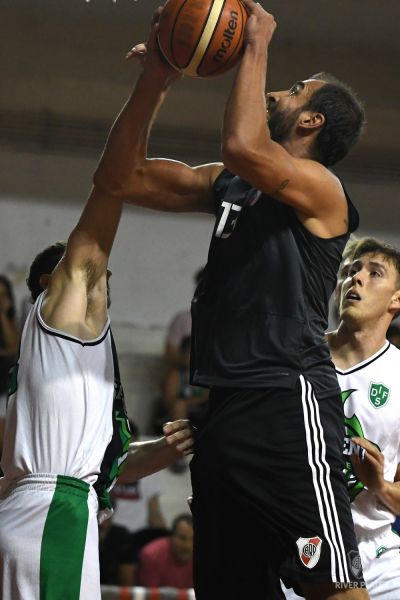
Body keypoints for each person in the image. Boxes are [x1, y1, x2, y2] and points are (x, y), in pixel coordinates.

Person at [94, 1, 366, 597]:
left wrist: (256, 41)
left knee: (336, 587)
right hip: (222, 408)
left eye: (293, 91)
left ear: (312, 121)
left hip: (285, 398)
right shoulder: (233, 183)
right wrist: (155, 79)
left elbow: (244, 145)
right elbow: (119, 177)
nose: (274, 93)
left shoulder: (323, 190)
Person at [0, 84, 193, 599]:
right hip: (52, 513)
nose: (105, 281)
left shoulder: (82, 362)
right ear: (52, 285)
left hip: (60, 509)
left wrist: (167, 447)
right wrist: (155, 82)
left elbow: (109, 467)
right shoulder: (58, 318)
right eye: (96, 275)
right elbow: (111, 184)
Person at [284, 237, 400, 599]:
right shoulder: (294, 358)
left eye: (374, 273)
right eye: (350, 270)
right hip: (303, 550)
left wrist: (379, 486)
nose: (356, 278)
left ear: (396, 299)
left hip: (377, 554)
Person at [137, 513, 193, 589]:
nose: (188, 545)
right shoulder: (151, 556)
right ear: (171, 536)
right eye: (182, 538)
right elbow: (151, 594)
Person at [164, 268, 204, 368]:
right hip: (187, 372)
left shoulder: (230, 322)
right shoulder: (183, 319)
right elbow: (170, 352)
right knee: (173, 375)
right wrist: (186, 361)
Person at [0, 275, 19, 455]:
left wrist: (3, 315)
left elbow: (13, 347)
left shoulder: (11, 320)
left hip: (6, 388)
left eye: (3, 295)